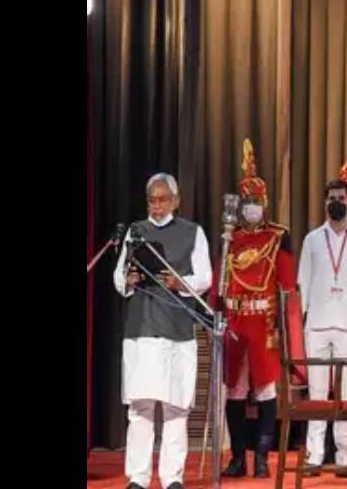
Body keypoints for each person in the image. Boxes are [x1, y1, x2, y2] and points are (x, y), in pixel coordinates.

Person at [113, 173, 212, 489]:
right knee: (141, 407)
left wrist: (178, 282)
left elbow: (205, 278)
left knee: (176, 407)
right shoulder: (136, 231)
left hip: (178, 330)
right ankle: (138, 477)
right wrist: (128, 280)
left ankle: (172, 477)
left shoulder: (192, 232)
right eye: (152, 200)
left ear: (175, 200)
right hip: (141, 329)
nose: (156, 206)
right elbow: (118, 278)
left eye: (162, 200)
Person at [218, 140, 304, 479]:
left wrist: (289, 327)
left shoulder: (277, 237)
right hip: (235, 321)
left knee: (266, 389)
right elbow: (220, 282)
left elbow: (288, 285)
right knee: (235, 390)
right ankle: (239, 457)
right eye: (247, 202)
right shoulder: (232, 238)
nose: (251, 208)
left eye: (256, 202)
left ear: (264, 204)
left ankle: (264, 457)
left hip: (264, 321)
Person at [297, 179, 347, 477]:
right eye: (331, 198)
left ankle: (344, 456)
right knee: (317, 392)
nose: (336, 203)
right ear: (325, 203)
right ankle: (314, 455)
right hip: (316, 324)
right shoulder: (312, 239)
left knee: (344, 392)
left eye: (341, 198)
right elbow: (302, 283)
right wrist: (301, 322)